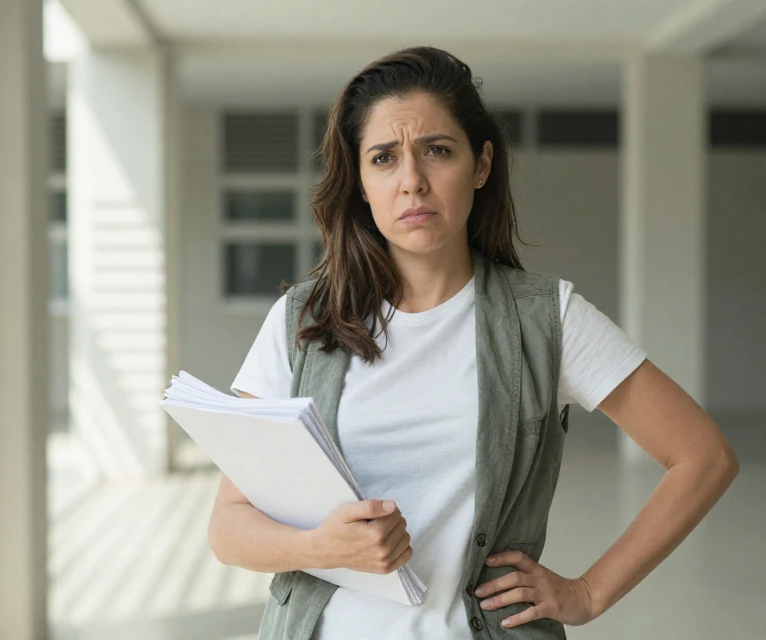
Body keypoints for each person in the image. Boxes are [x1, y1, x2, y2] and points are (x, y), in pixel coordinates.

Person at [207, 46, 738, 639]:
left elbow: (703, 456)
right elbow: (229, 528)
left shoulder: (546, 319)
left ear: (481, 165)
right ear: (360, 182)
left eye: (437, 150)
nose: (412, 181)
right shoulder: (302, 323)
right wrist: (318, 545)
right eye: (384, 158)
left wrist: (589, 592)